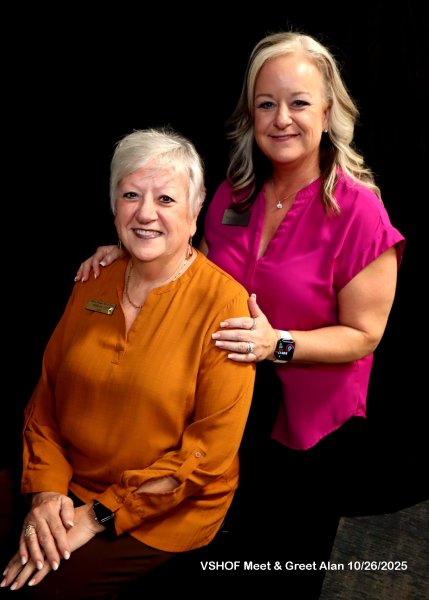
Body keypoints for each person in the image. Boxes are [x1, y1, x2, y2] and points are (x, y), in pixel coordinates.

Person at [72, 31, 405, 594]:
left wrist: (277, 343)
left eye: (299, 103)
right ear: (251, 116)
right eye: (266, 104)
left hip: (308, 430)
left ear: (328, 113)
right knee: (224, 567)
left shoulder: (359, 211)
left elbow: (364, 334)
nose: (282, 119)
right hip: (223, 413)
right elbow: (193, 272)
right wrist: (130, 250)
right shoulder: (235, 193)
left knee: (283, 567)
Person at [0, 128, 255, 598]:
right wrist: (47, 493)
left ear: (195, 212)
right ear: (114, 204)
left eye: (166, 199)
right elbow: (47, 395)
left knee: (39, 589)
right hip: (70, 480)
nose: (145, 213)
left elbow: (207, 456)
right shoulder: (94, 278)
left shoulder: (226, 306)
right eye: (131, 195)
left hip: (165, 508)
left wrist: (97, 515)